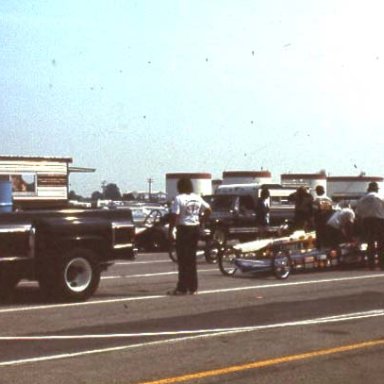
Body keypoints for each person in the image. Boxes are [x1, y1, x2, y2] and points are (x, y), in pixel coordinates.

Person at [168, 177, 211, 295]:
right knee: (191, 259)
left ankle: (182, 288)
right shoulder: (197, 197)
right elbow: (208, 209)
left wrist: (171, 230)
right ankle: (193, 287)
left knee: (182, 260)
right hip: (195, 228)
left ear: (180, 187)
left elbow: (174, 215)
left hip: (183, 229)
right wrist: (201, 221)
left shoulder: (178, 199)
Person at [355, 181, 384, 269]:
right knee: (381, 243)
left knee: (370, 242)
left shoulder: (362, 199)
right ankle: (382, 264)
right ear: (376, 189)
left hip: (366, 221)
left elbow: (358, 213)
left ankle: (371, 264)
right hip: (379, 220)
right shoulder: (380, 197)